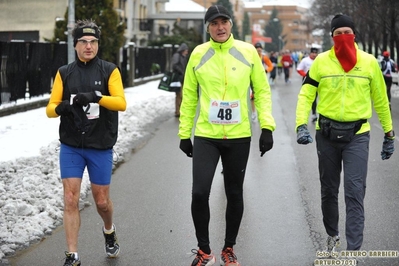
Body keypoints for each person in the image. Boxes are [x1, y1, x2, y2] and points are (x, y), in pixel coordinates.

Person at [178, 5, 275, 266]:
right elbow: (189, 95)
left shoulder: (247, 52)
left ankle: (228, 248)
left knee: (234, 192)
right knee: (199, 193)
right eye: (214, 23)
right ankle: (204, 250)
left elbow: (262, 91)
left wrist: (267, 127)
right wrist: (184, 133)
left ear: (231, 24)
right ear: (207, 27)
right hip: (206, 135)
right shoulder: (199, 54)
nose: (220, 27)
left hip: (238, 135)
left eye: (224, 22)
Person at [295, 14, 394, 257]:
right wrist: (300, 125)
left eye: (346, 32)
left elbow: (381, 100)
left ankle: (353, 251)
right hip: (326, 135)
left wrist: (389, 133)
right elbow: (306, 95)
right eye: (337, 33)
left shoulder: (369, 63)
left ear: (355, 35)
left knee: (354, 190)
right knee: (328, 190)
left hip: (358, 135)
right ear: (331, 37)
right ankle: (332, 236)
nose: (342, 37)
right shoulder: (320, 63)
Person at [46, 19, 126, 266]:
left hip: (100, 144)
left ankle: (109, 230)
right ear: (75, 45)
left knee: (101, 201)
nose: (89, 46)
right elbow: (49, 109)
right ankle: (72, 254)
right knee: (70, 198)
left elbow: (121, 103)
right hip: (72, 145)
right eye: (83, 42)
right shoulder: (64, 72)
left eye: (93, 42)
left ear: (98, 45)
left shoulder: (109, 70)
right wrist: (63, 108)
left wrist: (96, 96)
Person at [251, 42, 274, 121]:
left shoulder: (264, 58)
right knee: (252, 97)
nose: (259, 50)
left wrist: (266, 70)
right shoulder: (251, 57)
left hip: (262, 80)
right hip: (252, 79)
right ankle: (253, 113)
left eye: (260, 49)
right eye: (257, 49)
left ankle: (261, 114)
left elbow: (271, 66)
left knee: (261, 97)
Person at [296, 47, 319, 122]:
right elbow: (299, 69)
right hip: (308, 81)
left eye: (316, 53)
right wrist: (305, 75)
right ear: (310, 53)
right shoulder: (305, 60)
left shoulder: (319, 61)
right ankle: (304, 116)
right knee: (308, 98)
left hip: (318, 81)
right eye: (313, 53)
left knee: (315, 98)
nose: (314, 54)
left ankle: (314, 114)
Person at [171, 43, 189, 117]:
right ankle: (177, 111)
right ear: (183, 50)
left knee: (182, 95)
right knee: (179, 95)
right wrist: (181, 72)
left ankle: (180, 110)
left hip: (182, 78)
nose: (187, 52)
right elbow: (174, 65)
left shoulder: (183, 57)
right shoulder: (177, 56)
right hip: (177, 78)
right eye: (186, 50)